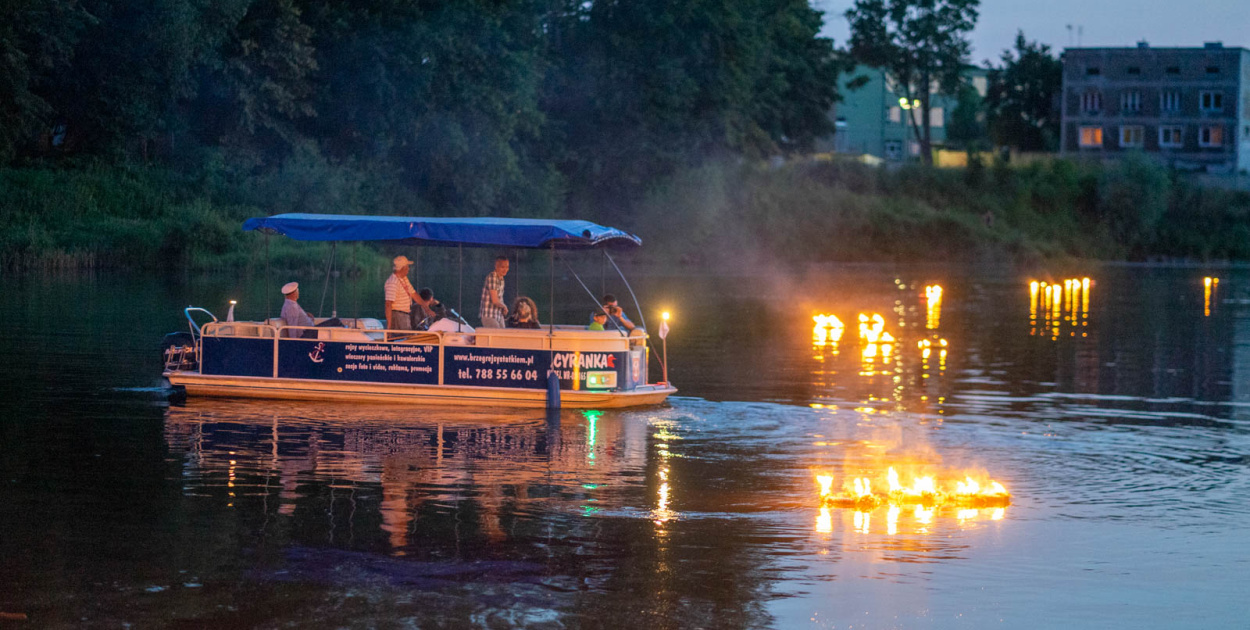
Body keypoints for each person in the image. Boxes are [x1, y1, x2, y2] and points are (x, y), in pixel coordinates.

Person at [384, 255, 430, 331]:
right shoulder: (392, 282)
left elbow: (413, 294)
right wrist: (389, 326)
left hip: (405, 315)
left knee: (407, 336)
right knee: (403, 338)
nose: (408, 269)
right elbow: (388, 304)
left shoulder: (404, 279)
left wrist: (426, 308)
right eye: (407, 266)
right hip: (398, 315)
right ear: (403, 268)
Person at [479, 255, 509, 328]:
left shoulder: (502, 279)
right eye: (502, 267)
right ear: (496, 266)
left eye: (507, 267)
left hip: (498, 314)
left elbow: (500, 298)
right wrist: (504, 306)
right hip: (489, 315)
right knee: (497, 337)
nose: (505, 269)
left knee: (504, 336)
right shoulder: (492, 277)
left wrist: (502, 308)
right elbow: (495, 300)